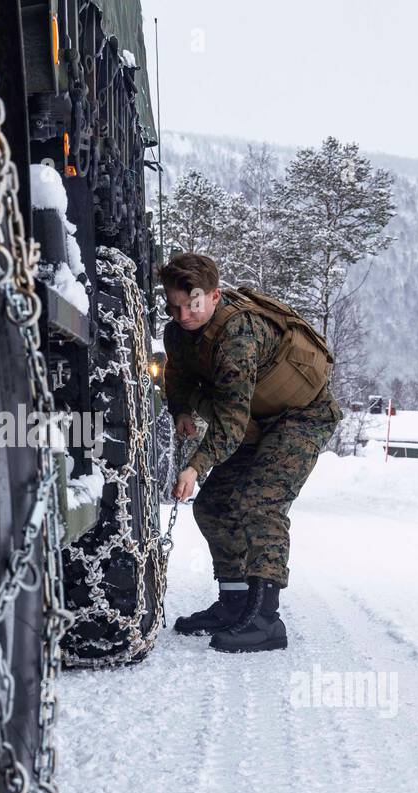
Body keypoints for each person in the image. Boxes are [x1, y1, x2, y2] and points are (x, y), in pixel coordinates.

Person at [160, 252, 343, 653]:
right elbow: (176, 373)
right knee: (213, 507)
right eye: (172, 306)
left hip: (301, 418)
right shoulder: (177, 331)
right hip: (257, 422)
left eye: (191, 306)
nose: (181, 315)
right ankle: (235, 603)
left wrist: (194, 466)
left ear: (213, 295)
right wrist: (181, 410)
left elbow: (230, 424)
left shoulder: (237, 335)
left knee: (261, 503)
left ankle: (266, 620)